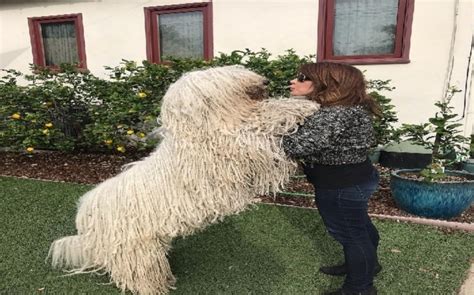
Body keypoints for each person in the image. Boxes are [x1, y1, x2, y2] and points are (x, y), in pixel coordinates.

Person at [282, 62, 382, 295]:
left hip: (340, 185)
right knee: (360, 227)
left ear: (327, 84)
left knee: (351, 234)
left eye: (302, 78)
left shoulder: (334, 114)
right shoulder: (351, 108)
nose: (293, 82)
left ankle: (360, 288)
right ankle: (366, 266)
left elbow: (299, 146)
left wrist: (273, 133)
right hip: (356, 177)